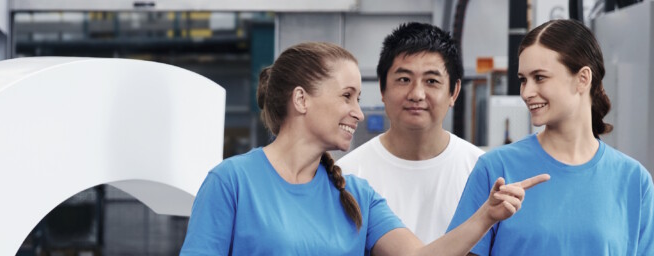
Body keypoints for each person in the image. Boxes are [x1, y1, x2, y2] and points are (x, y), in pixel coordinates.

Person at [180, 42, 549, 255]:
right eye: (347, 96)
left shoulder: (357, 194)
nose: (358, 112)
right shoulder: (231, 183)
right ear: (301, 99)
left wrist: (485, 216)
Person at [447, 19, 653, 255]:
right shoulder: (495, 169)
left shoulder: (634, 180)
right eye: (523, 80)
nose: (526, 92)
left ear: (583, 79)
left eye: (540, 77)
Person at [337, 22, 484, 244]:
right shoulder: (348, 175)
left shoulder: (481, 170)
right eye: (404, 79)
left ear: (454, 92)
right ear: (382, 89)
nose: (416, 94)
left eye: (431, 81)